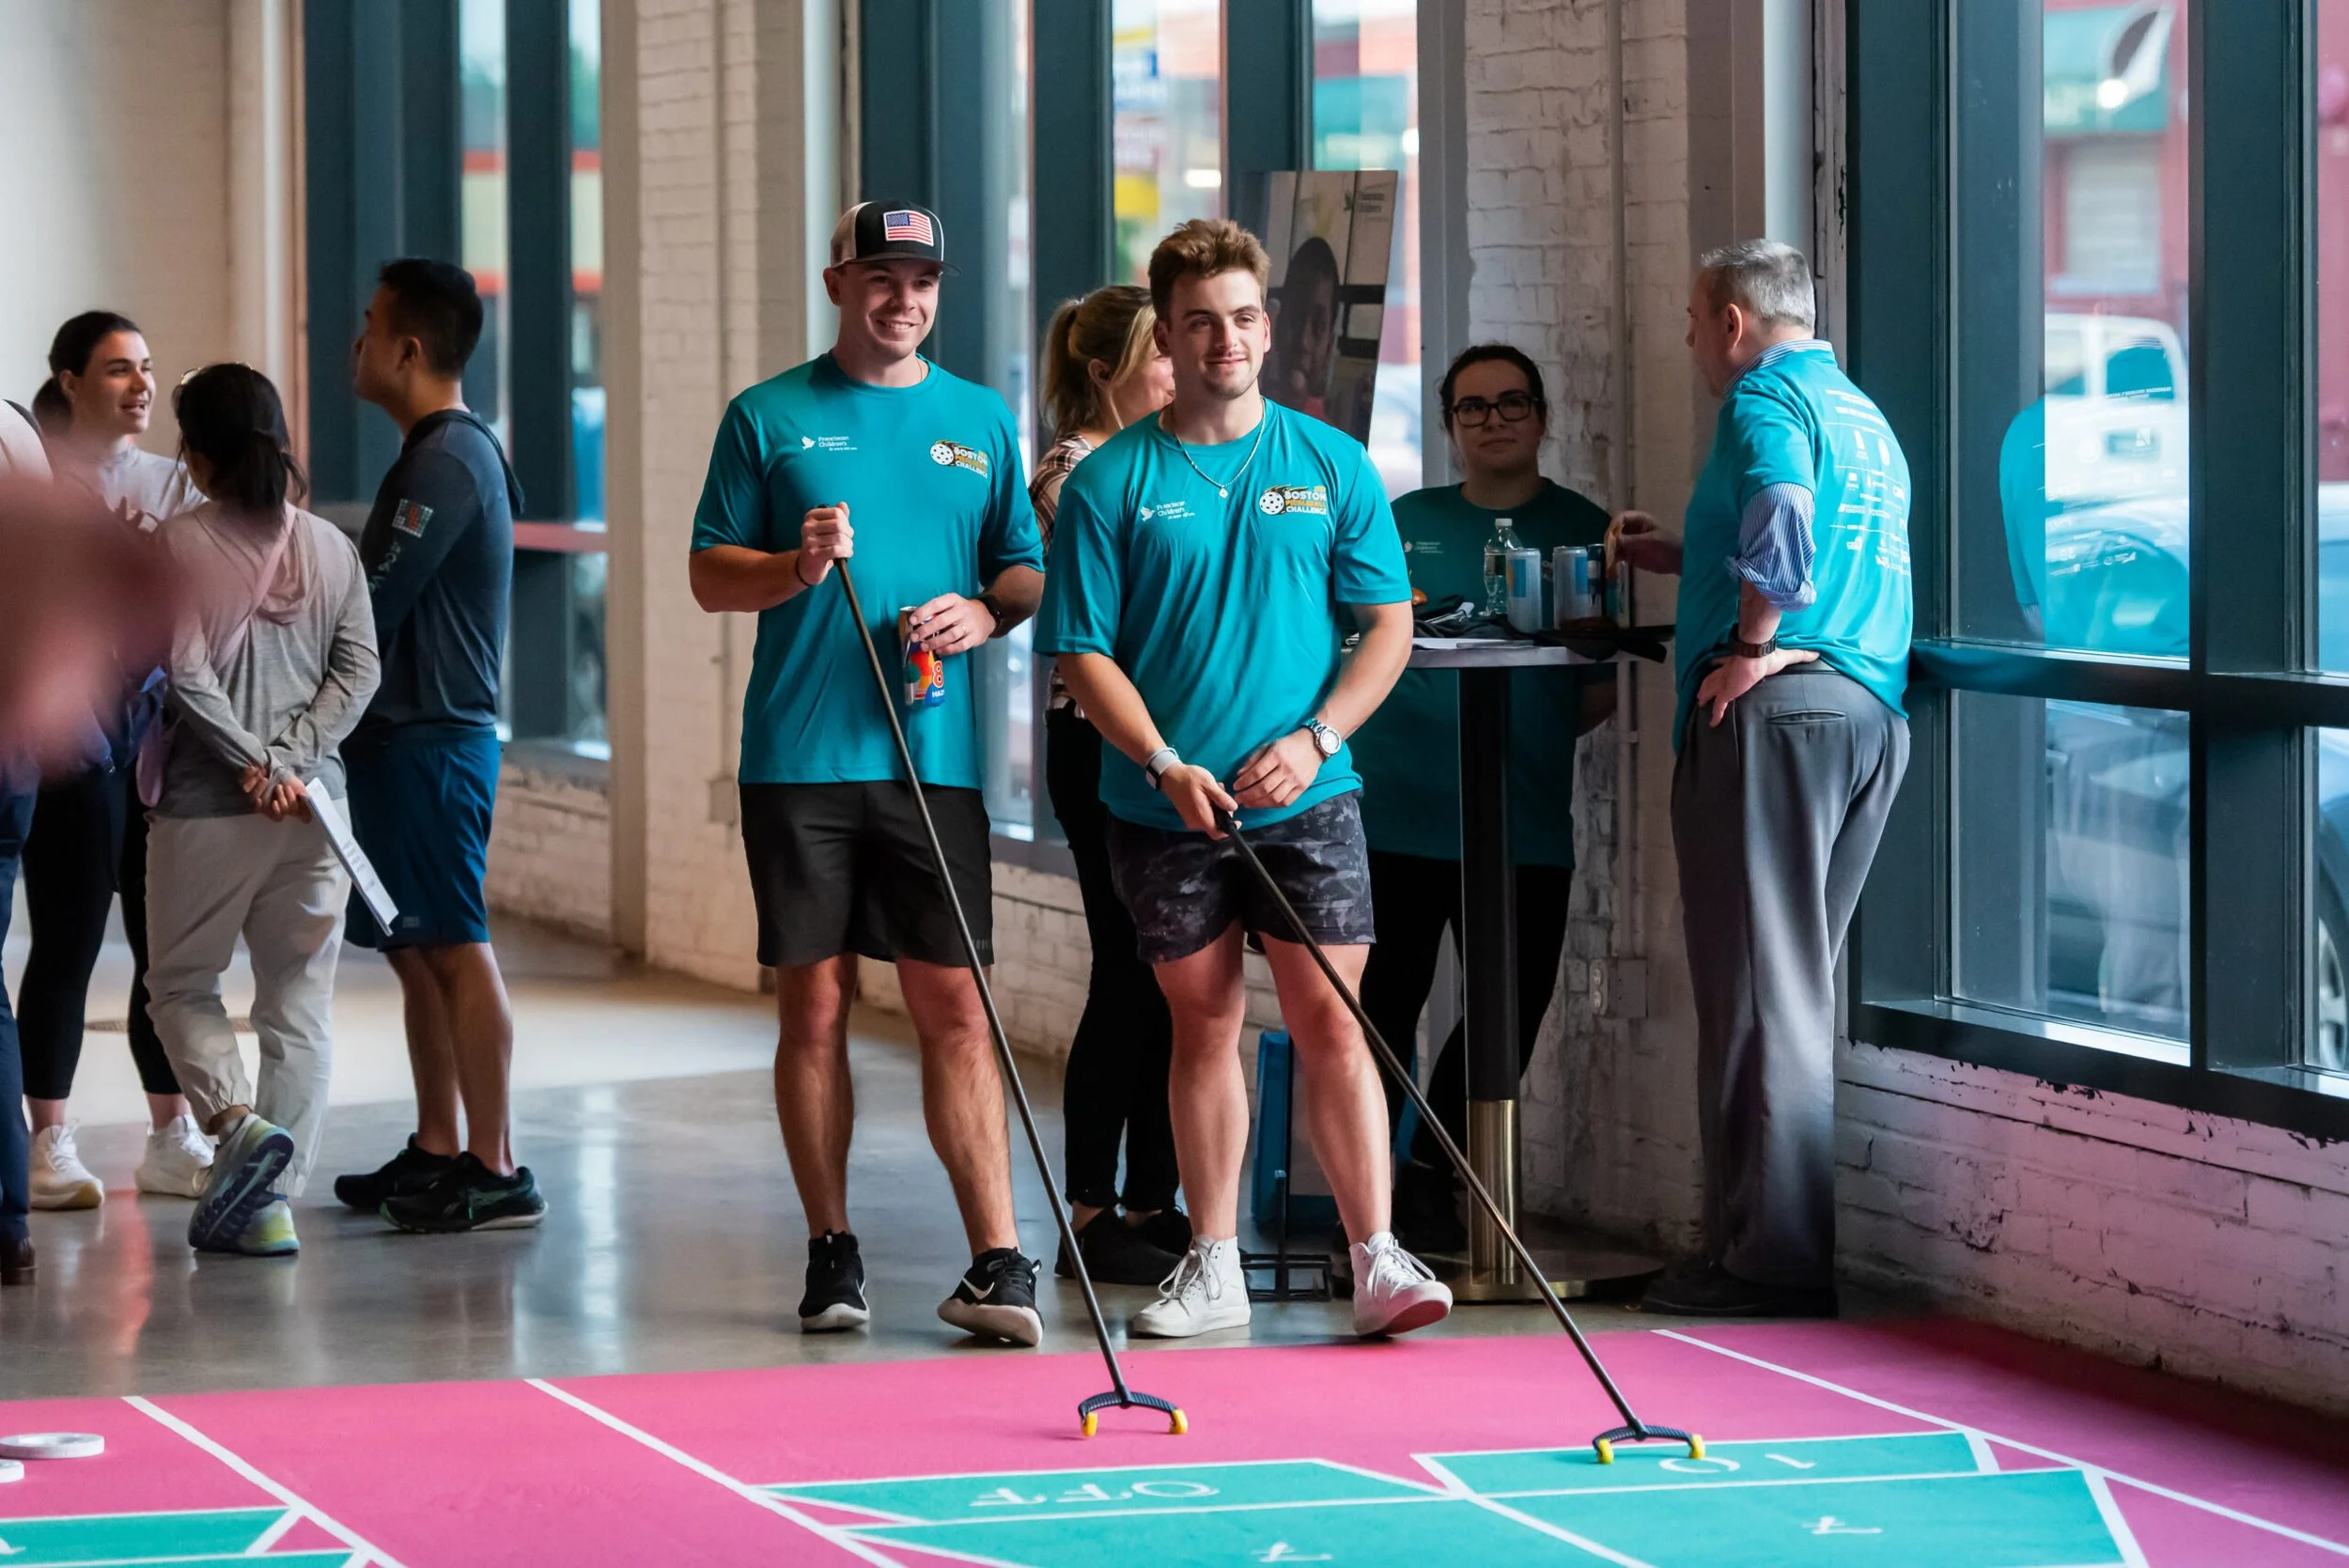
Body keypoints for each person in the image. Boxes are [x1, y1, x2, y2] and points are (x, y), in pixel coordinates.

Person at [1036, 217, 1454, 1341]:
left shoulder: (1331, 464)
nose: (1225, 338)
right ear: (1165, 338)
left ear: (1266, 329)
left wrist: (1317, 739)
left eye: (1242, 318)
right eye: (1199, 323)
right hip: (1162, 806)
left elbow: (1386, 630)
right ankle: (1211, 1261)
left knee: (1332, 1017)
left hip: (1310, 797)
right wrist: (1163, 761)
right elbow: (1081, 648)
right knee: (1202, 1021)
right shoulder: (1112, 481)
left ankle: (1377, 1259)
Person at [688, 202, 1050, 1344]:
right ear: (838, 280)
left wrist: (985, 612)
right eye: (882, 277)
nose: (904, 300)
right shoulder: (768, 415)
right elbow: (708, 575)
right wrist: (795, 567)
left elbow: (1027, 573)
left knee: (955, 1004)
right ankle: (830, 1250)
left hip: (931, 760)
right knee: (818, 1002)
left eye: (923, 280)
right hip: (798, 760)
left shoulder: (980, 419)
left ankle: (997, 1260)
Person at [1611, 240, 1913, 1318]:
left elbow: (1782, 518)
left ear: (1733, 323)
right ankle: (1764, 1242)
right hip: (1867, 713)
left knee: (1753, 993)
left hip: (1777, 719)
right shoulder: (1861, 415)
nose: (1693, 342)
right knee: (1792, 988)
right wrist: (1683, 561)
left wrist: (1747, 646)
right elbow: (1820, 544)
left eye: (1695, 322)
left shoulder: (1761, 401)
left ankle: (1765, 1260)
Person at [1351, 343, 1616, 1254]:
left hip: (1521, 817)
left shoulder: (1584, 526)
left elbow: (1597, 689)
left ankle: (1432, 1168)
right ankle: (1371, 1207)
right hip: (1396, 810)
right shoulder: (1403, 519)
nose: (1493, 420)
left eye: (1511, 403)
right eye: (1472, 407)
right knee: (1382, 1005)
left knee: (1515, 1002)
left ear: (1541, 416)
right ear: (1449, 424)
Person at [143, 365, 379, 1256]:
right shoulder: (330, 546)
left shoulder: (179, 544)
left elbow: (184, 668)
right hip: (317, 813)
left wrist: (253, 761)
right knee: (299, 1007)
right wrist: (293, 762)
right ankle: (270, 1204)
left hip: (211, 808)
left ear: (198, 457)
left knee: (179, 985)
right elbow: (360, 671)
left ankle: (238, 1127)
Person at [330, 260, 539, 1234]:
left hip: (434, 741)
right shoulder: (433, 453)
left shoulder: (446, 462)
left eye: (369, 326)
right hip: (398, 741)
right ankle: (437, 1142)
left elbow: (370, 607)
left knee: (454, 942)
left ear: (408, 349)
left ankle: (497, 1164)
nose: (356, 342)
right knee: (416, 950)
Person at [17, 312, 211, 1211]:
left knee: (160, 947)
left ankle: (171, 1132)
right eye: (115, 370)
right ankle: (49, 1135)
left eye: (146, 367)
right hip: (72, 754)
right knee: (68, 939)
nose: (139, 386)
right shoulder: (34, 478)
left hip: (160, 752)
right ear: (67, 380)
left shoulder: (172, 484)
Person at [1033, 283, 1186, 1288]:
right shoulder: (1077, 471)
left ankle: (1151, 1200)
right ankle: (1090, 1208)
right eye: (1159, 352)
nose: (1179, 366)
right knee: (1127, 972)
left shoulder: (1164, 459)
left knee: (1177, 976)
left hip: (1166, 739)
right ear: (1103, 371)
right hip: (1099, 745)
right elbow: (1130, 607)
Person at [1265, 236, 1339, 423]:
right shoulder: (1241, 423)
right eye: (1296, 318)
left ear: (1329, 347)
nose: (1303, 342)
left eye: (1319, 327)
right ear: (1278, 328)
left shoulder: (1330, 445)